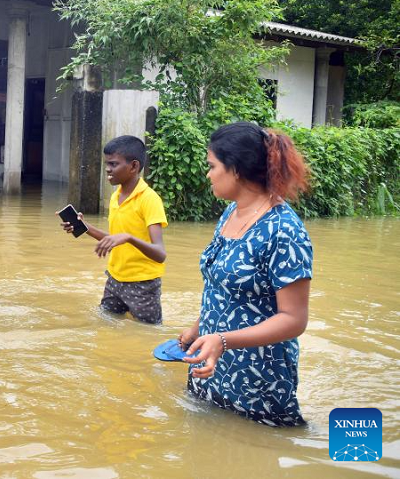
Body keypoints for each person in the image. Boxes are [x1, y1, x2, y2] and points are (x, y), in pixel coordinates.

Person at [179, 122, 312, 427]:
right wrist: (197, 329)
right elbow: (223, 287)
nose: (208, 174)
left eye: (212, 166)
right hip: (211, 366)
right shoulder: (231, 212)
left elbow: (294, 319)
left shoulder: (284, 231)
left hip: (258, 380)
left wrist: (223, 340)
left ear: (235, 169)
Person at [61, 135, 168, 324]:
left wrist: (129, 238)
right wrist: (85, 227)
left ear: (134, 166)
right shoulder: (115, 196)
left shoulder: (149, 200)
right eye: (107, 164)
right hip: (114, 279)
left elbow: (160, 253)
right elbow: (114, 238)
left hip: (143, 284)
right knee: (105, 324)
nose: (108, 170)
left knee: (147, 333)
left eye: (113, 164)